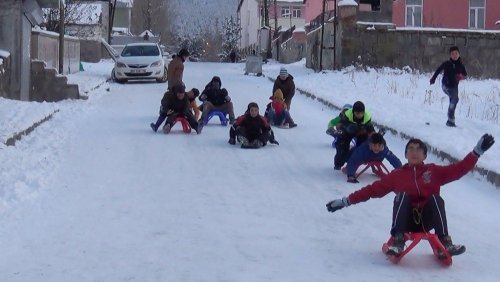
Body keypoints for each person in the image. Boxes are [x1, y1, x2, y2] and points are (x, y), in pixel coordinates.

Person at [326, 134, 495, 257]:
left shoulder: (434, 171)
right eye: (411, 149)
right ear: (405, 155)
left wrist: (476, 152)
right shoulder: (396, 175)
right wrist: (346, 201)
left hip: (427, 220)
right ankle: (398, 240)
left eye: (419, 150)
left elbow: (459, 169)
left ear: (425, 155)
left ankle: (445, 242)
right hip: (404, 222)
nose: (415, 152)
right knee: (402, 196)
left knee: (436, 199)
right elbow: (371, 190)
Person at [430, 46, 468, 127]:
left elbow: (465, 75)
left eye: (456, 53)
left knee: (452, 101)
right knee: (455, 99)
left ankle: (450, 121)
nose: (454, 55)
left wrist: (461, 76)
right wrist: (433, 78)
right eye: (452, 54)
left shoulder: (461, 65)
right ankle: (450, 117)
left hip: (454, 86)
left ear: (459, 54)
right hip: (446, 85)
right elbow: (438, 70)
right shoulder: (447, 63)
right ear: (450, 55)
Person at [334, 101, 375, 170]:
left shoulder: (367, 117)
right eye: (357, 113)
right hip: (348, 132)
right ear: (353, 112)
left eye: (361, 113)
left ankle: (353, 160)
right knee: (342, 147)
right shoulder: (348, 114)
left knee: (361, 147)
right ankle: (338, 164)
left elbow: (370, 129)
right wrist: (344, 129)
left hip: (361, 132)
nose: (359, 115)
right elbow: (339, 125)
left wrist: (374, 138)